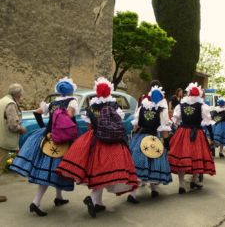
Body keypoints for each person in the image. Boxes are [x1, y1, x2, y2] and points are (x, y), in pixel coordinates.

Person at [56, 77, 138, 218]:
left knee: (96, 172)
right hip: (112, 144)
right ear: (109, 90)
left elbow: (89, 127)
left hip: (94, 140)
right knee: (105, 172)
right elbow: (120, 124)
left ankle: (98, 203)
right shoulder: (114, 106)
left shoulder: (92, 107)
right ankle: (94, 200)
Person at [10, 77, 79, 216]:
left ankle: (59, 198)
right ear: (71, 90)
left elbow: (36, 112)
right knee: (50, 171)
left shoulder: (52, 103)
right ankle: (36, 202)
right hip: (62, 140)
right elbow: (69, 117)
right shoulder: (72, 102)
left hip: (48, 137)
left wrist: (45, 128)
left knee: (56, 169)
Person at [127, 85, 172, 203]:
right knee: (154, 163)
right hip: (154, 139)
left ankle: (133, 194)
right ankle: (154, 189)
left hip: (140, 138)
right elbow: (164, 129)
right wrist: (167, 143)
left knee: (139, 164)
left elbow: (135, 125)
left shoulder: (142, 107)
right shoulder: (161, 110)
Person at [168, 82, 216, 194]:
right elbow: (207, 121)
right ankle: (194, 180)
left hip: (182, 132)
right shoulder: (202, 106)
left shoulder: (181, 105)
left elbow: (175, 120)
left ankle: (181, 184)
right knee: (196, 155)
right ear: (199, 94)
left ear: (188, 93)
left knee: (182, 157)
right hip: (196, 133)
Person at [0, 83, 26, 202]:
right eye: (21, 95)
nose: (22, 97)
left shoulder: (2, 100)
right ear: (18, 94)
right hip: (3, 140)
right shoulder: (11, 104)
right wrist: (21, 129)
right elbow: (12, 125)